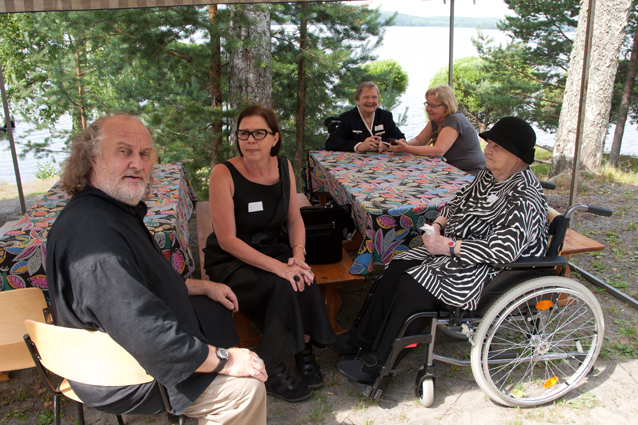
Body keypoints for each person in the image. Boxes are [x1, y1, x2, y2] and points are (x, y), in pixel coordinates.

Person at [46, 115, 267, 425]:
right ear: (92, 158)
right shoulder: (95, 239)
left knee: (215, 308)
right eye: (123, 151)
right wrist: (225, 360)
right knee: (245, 390)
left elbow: (139, 282)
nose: (137, 163)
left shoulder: (108, 209)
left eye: (145, 153)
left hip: (130, 347)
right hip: (123, 372)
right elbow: (146, 334)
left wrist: (201, 285)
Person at [331, 117, 548, 385]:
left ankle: (380, 362)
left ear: (517, 157)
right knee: (399, 265)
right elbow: (456, 202)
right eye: (489, 143)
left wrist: (449, 246)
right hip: (458, 248)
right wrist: (437, 225)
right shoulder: (489, 175)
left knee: (417, 285)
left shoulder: (523, 195)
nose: (489, 150)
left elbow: (503, 250)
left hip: (492, 268)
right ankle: (363, 337)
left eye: (497, 147)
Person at [203, 105, 336, 403]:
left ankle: (303, 350)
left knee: (304, 277)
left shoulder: (283, 166)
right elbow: (227, 240)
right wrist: (279, 268)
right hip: (231, 258)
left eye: (258, 133)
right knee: (282, 286)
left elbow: (294, 220)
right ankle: (272, 369)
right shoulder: (223, 173)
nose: (250, 140)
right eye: (244, 134)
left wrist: (298, 255)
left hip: (273, 247)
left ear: (274, 138)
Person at [389, 85, 485, 175]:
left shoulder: (454, 119)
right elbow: (420, 140)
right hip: (451, 170)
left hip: (470, 173)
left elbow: (438, 150)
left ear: (446, 107)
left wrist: (407, 148)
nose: (428, 109)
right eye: (427, 104)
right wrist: (405, 144)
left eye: (433, 106)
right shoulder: (436, 120)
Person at [325, 81, 405, 153]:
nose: (370, 101)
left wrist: (384, 145)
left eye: (374, 97)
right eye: (366, 97)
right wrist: (359, 146)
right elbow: (331, 142)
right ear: (357, 99)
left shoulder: (385, 116)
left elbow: (400, 138)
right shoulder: (348, 118)